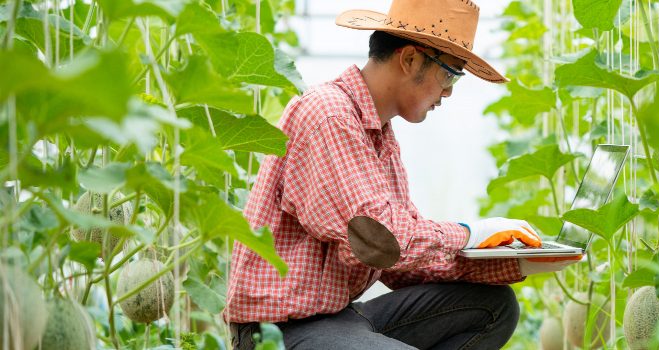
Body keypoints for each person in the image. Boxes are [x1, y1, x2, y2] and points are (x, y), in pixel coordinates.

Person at [225, 0, 581, 348]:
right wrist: (472, 234)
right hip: (277, 333)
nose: (449, 92)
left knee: (495, 307)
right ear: (410, 59)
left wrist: (514, 264)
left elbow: (397, 265)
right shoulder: (329, 115)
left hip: (337, 320)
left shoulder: (381, 136)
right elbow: (383, 238)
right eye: (451, 73)